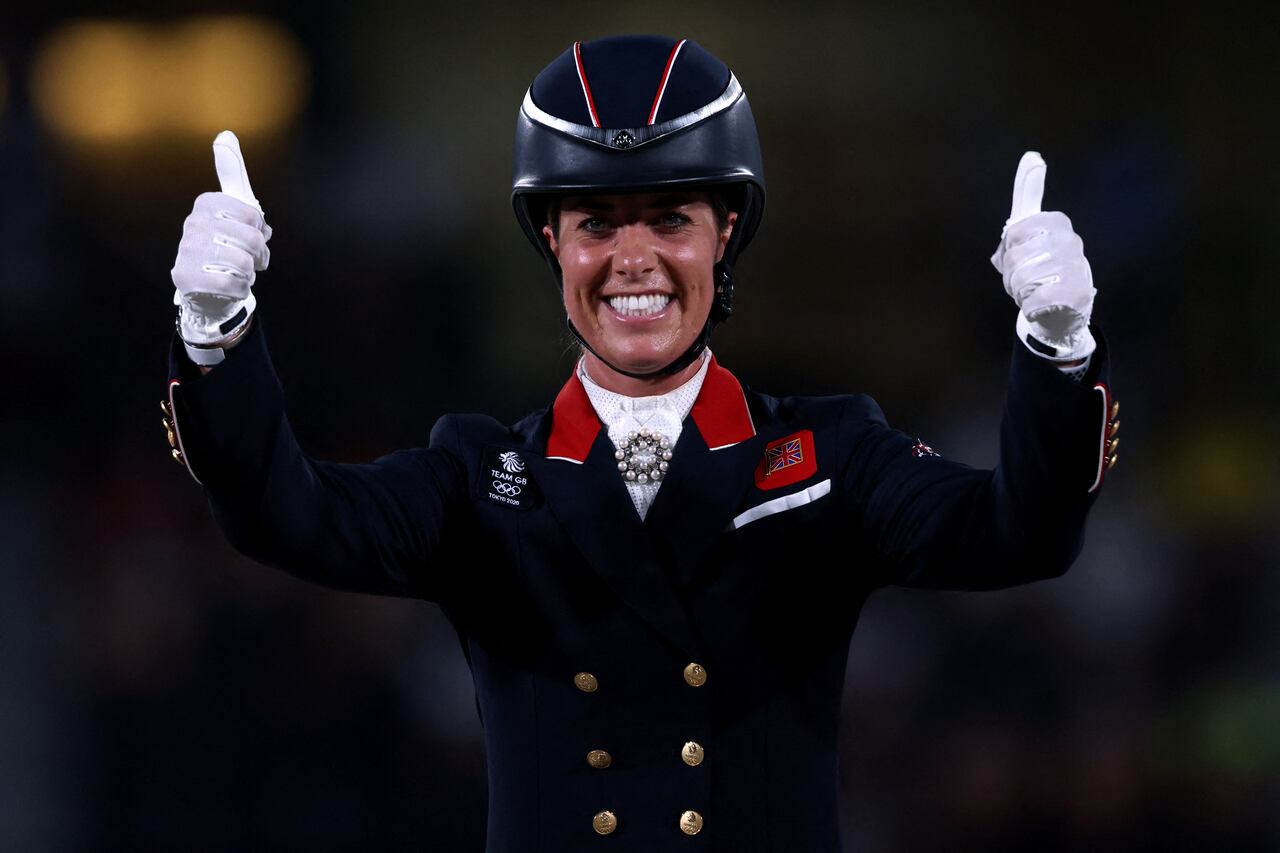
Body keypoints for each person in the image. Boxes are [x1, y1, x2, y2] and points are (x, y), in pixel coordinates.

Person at [160, 34, 1119, 851]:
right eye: (595, 224)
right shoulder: (482, 475)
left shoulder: (828, 454)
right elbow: (286, 512)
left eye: (670, 218)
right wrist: (218, 334)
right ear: (552, 244)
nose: (633, 261)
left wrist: (1057, 352)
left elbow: (1019, 533)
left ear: (726, 231)